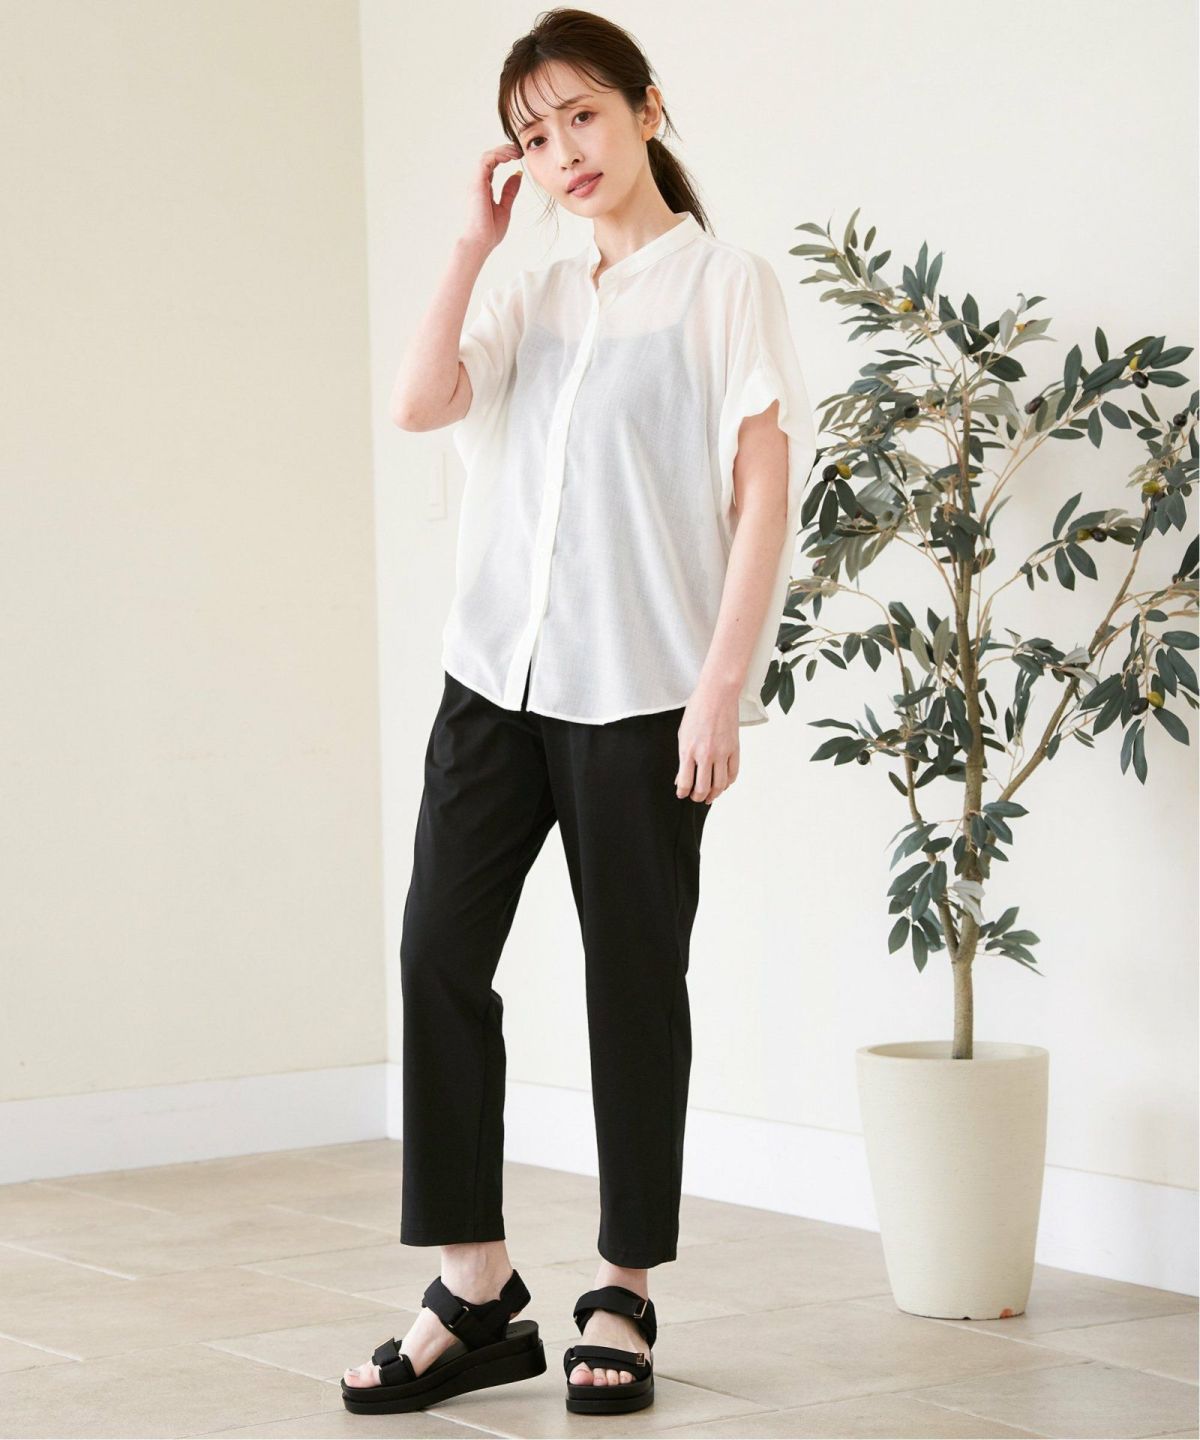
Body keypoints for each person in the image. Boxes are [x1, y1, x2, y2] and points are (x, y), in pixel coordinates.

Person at [342, 5, 816, 1420]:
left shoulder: (726, 285)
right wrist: (471, 244)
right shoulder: (530, 291)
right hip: (494, 678)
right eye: (535, 137)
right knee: (438, 953)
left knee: (632, 985)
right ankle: (476, 1288)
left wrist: (719, 688)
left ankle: (625, 1286)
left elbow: (764, 497)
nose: (564, 153)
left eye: (583, 117)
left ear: (647, 108)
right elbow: (419, 402)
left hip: (644, 694)